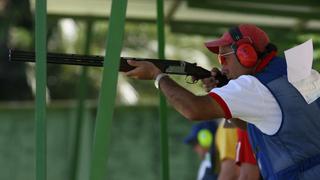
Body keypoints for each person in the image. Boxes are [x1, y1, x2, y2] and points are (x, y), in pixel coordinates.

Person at [125, 24, 320, 179]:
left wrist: (157, 77)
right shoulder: (299, 70)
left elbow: (193, 110)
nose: (222, 66)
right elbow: (266, 125)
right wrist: (222, 91)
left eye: (224, 57)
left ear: (246, 55)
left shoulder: (253, 86)